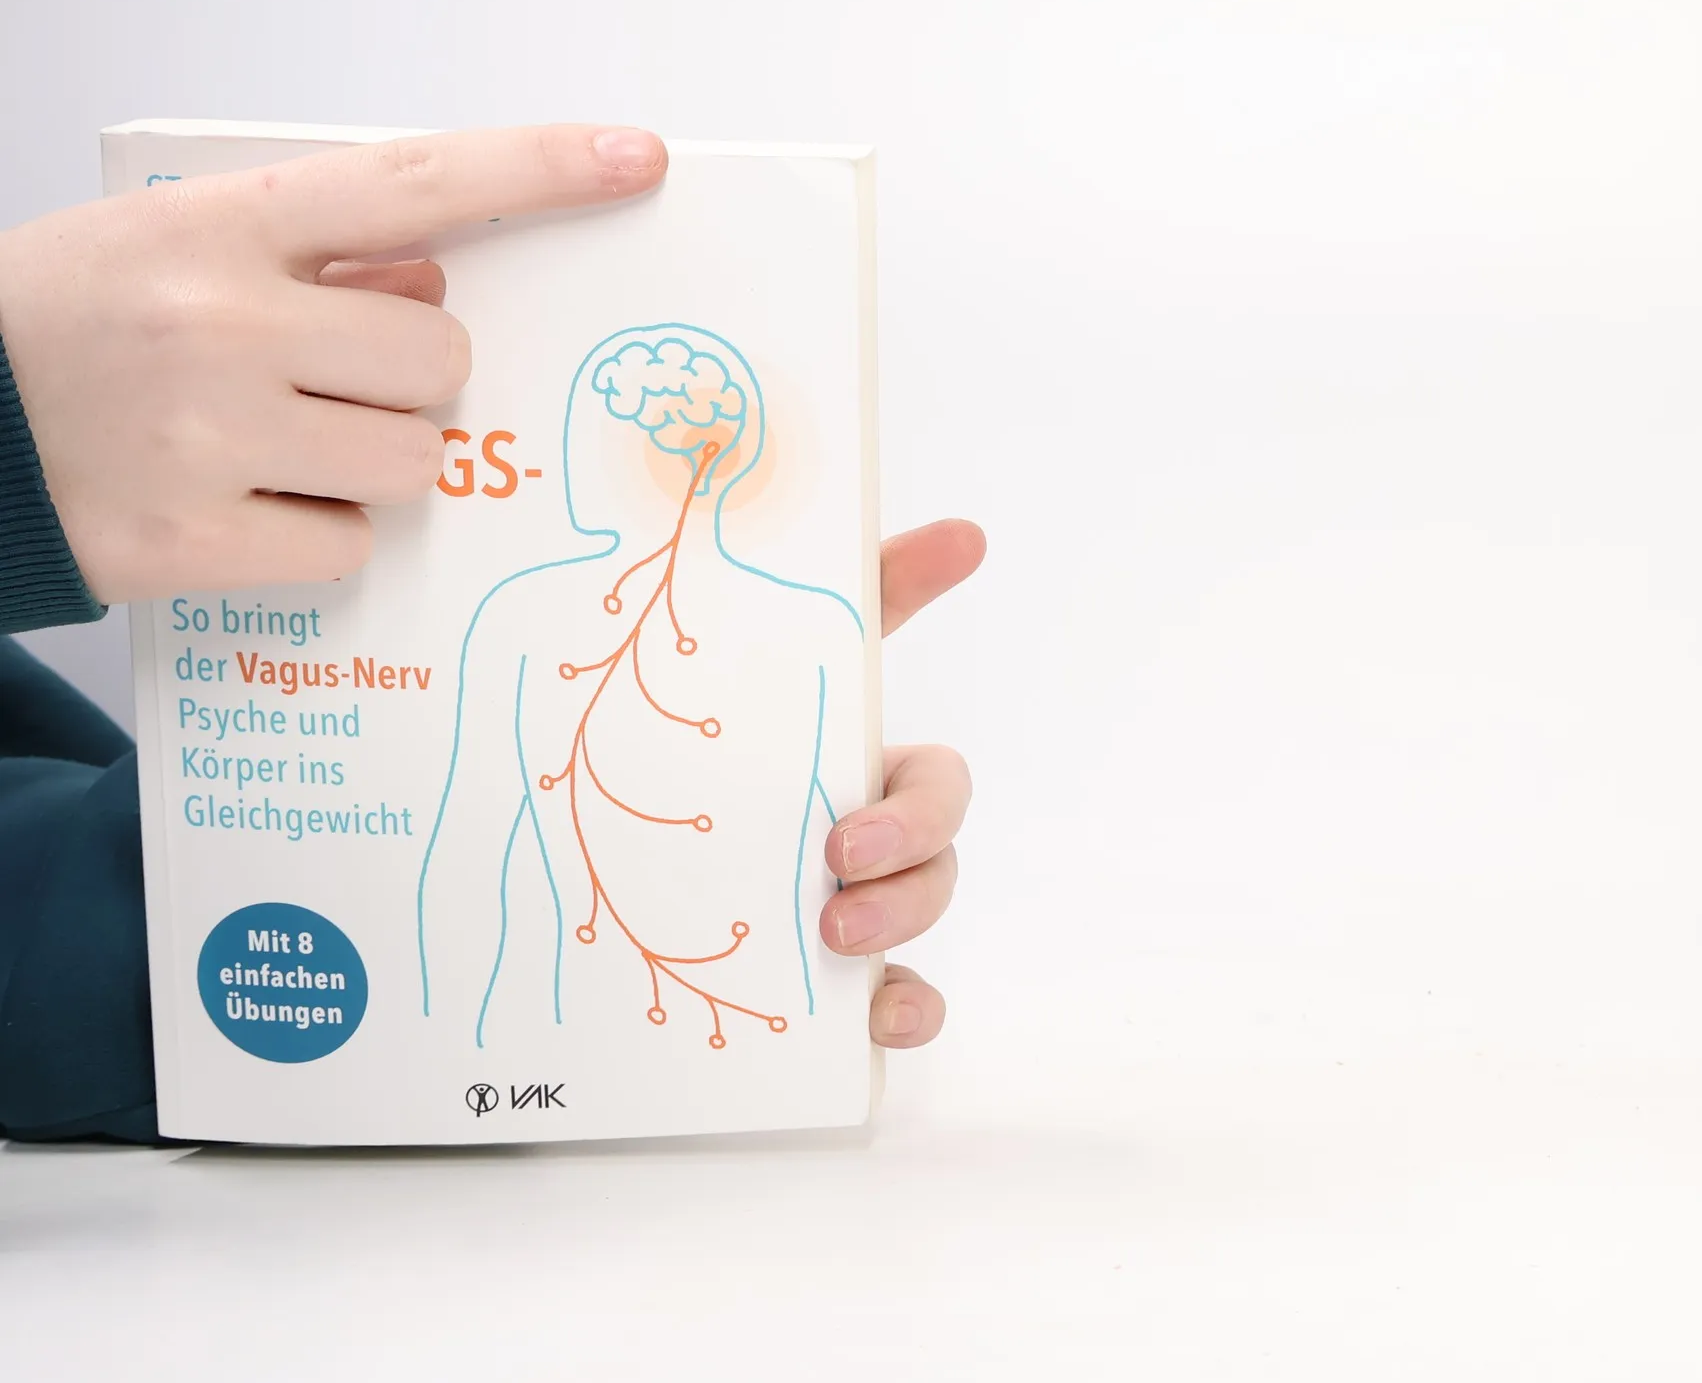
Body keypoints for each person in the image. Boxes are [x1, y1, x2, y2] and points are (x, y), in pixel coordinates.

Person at [0, 124, 982, 1141]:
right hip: (554, 1041)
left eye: (592, 436)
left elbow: (480, 849)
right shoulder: (537, 617)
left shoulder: (796, 627)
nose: (568, 461)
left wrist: (189, 926)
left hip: (685, 1048)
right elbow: (477, 846)